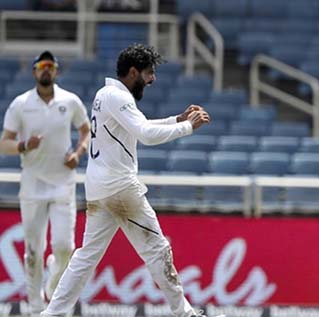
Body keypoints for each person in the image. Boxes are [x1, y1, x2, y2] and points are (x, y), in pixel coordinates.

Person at [40, 44, 221, 317]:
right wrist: (187, 127)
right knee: (158, 250)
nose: (152, 79)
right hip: (121, 188)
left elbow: (139, 125)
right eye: (149, 73)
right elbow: (146, 134)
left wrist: (175, 118)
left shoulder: (106, 94)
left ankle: (51, 314)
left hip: (99, 188)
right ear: (133, 71)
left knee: (85, 258)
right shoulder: (118, 97)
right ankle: (185, 314)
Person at [0, 51, 90, 316]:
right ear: (34, 72)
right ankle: (36, 308)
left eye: (50, 66)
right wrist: (24, 145)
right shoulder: (20, 104)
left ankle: (51, 288)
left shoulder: (70, 101)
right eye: (41, 66)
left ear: (57, 71)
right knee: (32, 251)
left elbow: (85, 130)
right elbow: (4, 143)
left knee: (65, 248)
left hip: (63, 182)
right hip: (32, 183)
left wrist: (78, 153)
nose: (46, 71)